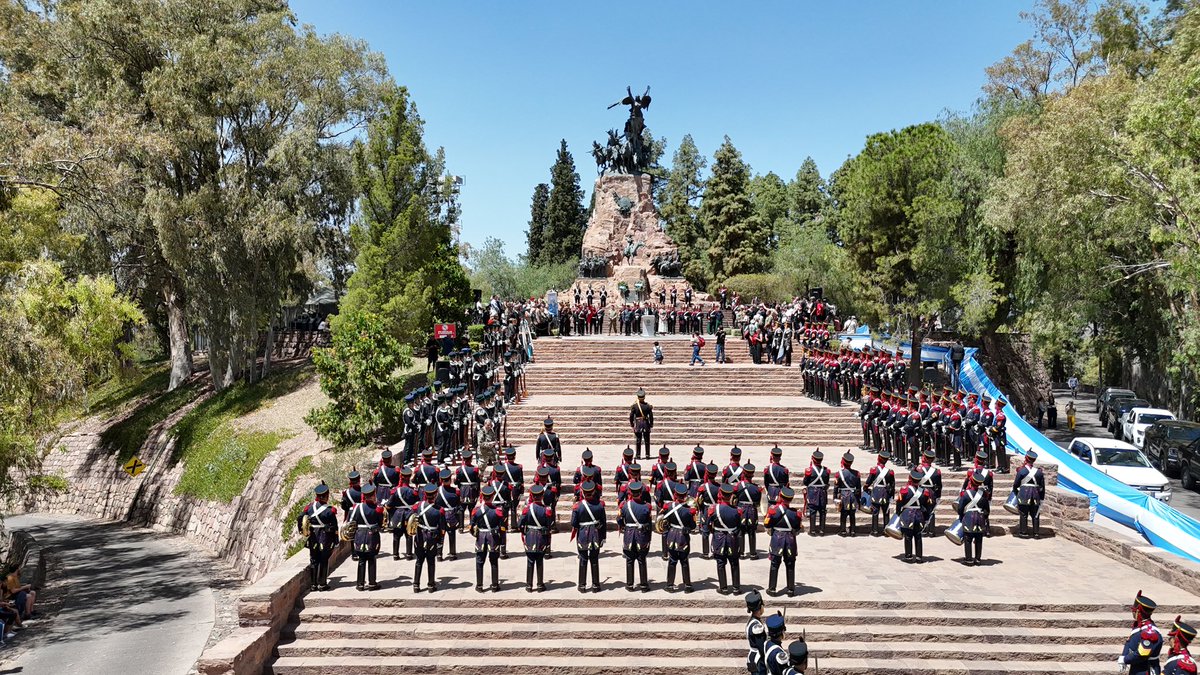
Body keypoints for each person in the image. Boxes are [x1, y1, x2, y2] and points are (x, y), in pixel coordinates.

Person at [297, 482, 339, 591]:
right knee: (324, 560)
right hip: (325, 538)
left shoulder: (309, 508)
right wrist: (336, 540)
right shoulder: (330, 511)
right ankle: (322, 584)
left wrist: (302, 530)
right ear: (327, 495)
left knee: (313, 560)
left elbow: (300, 518)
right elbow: (335, 528)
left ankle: (313, 585)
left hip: (313, 537)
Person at [764, 487, 802, 597]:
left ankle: (772, 589)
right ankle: (791, 590)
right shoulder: (796, 514)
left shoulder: (773, 510)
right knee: (790, 564)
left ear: (780, 496)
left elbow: (767, 524)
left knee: (775, 564)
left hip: (777, 539)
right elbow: (797, 528)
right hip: (790, 539)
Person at [617, 481, 653, 592]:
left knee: (629, 560)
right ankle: (643, 585)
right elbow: (649, 523)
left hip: (629, 535)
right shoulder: (647, 507)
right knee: (642, 560)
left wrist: (624, 526)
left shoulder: (624, 506)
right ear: (640, 493)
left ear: (630, 493)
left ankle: (629, 585)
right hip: (641, 535)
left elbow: (619, 519)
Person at [571, 480, 606, 593]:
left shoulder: (577, 507)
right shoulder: (600, 506)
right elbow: (603, 523)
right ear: (594, 491)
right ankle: (596, 585)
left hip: (582, 534)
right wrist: (603, 537)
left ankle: (582, 585)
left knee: (583, 559)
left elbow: (573, 523)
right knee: (594, 559)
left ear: (582, 492)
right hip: (596, 534)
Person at [709, 483, 745, 595]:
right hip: (732, 538)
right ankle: (736, 588)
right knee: (734, 562)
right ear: (731, 496)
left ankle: (723, 588)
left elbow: (708, 524)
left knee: (720, 562)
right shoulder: (737, 511)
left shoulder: (713, 509)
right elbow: (739, 526)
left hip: (719, 538)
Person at [661, 483, 697, 593]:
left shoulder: (668, 507)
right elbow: (693, 526)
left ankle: (670, 585)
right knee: (684, 561)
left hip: (672, 535)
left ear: (675, 494)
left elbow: (665, 520)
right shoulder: (689, 511)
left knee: (672, 560)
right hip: (683, 537)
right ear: (685, 495)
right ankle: (687, 585)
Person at [349, 484, 384, 591]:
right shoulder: (378, 509)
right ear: (373, 494)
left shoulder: (356, 507)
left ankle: (360, 584)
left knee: (361, 559)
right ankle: (372, 583)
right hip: (372, 536)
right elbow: (380, 524)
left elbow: (352, 521)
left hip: (359, 535)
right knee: (372, 558)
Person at [471, 485, 505, 593]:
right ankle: (495, 585)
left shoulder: (476, 511)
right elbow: (502, 528)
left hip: (481, 537)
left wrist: (475, 535)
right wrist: (502, 542)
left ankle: (479, 586)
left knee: (479, 561)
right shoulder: (498, 511)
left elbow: (471, 527)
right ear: (492, 496)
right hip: (493, 538)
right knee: (494, 561)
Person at [413, 484, 447, 593]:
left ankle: (416, 585)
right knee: (431, 561)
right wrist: (441, 542)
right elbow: (442, 528)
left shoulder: (418, 506)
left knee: (419, 561)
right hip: (431, 538)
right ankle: (431, 585)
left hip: (419, 537)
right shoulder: (440, 510)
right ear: (436, 495)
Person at [519, 484, 552, 592]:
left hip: (530, 536)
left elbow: (520, 524)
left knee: (530, 561)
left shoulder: (526, 509)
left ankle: (529, 585)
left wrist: (524, 532)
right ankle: (540, 584)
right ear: (542, 495)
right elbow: (548, 525)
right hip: (541, 537)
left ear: (532, 496)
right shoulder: (546, 510)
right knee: (539, 561)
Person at [1121, 592, 1164, 674]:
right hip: (1136, 668)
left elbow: (1142, 654)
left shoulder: (1150, 633)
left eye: (1134, 610)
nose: (1132, 612)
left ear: (1138, 611)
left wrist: (1125, 659)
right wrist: (1124, 655)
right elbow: (1129, 641)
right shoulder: (1140, 625)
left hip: (1144, 670)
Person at [897, 468, 934, 563]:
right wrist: (926, 518)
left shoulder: (904, 490)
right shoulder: (925, 492)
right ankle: (919, 557)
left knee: (908, 536)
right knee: (918, 537)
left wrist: (898, 513)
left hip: (908, 515)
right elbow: (928, 506)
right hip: (919, 515)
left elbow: (899, 503)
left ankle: (908, 556)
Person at [956, 469, 991, 565]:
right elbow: (987, 510)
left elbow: (960, 508)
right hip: (980, 518)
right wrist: (984, 516)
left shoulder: (965, 494)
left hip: (968, 517)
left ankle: (969, 559)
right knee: (979, 539)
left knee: (968, 539)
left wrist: (961, 516)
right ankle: (978, 559)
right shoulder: (983, 494)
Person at [1013, 450, 1046, 538]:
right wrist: (1042, 498)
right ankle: (1036, 533)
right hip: (1035, 495)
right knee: (1035, 514)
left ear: (1026, 459)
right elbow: (1042, 487)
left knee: (1024, 514)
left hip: (1024, 494)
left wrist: (1017, 494)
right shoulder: (1039, 472)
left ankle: (1024, 532)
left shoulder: (1022, 471)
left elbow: (1016, 485)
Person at [832, 451, 861, 537]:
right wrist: (858, 499)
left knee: (843, 514)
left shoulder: (839, 474)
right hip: (853, 496)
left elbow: (836, 487)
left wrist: (834, 497)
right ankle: (853, 531)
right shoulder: (856, 473)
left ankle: (843, 530)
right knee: (852, 514)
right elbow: (859, 487)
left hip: (844, 495)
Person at [801, 450, 830, 536]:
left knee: (813, 511)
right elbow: (826, 481)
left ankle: (812, 530)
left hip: (812, 492)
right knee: (822, 511)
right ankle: (822, 530)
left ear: (813, 459)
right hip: (822, 492)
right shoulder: (826, 471)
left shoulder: (809, 470)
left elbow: (805, 482)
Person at [745, 591, 768, 675]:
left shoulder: (752, 621)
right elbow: (761, 647)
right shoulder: (757, 627)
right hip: (758, 661)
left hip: (753, 658)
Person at [630, 389, 654, 460]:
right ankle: (647, 454)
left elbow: (631, 416)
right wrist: (651, 424)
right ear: (644, 397)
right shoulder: (648, 406)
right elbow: (651, 416)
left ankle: (638, 455)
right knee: (647, 440)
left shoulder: (635, 406)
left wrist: (632, 424)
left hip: (638, 423)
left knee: (638, 440)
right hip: (646, 423)